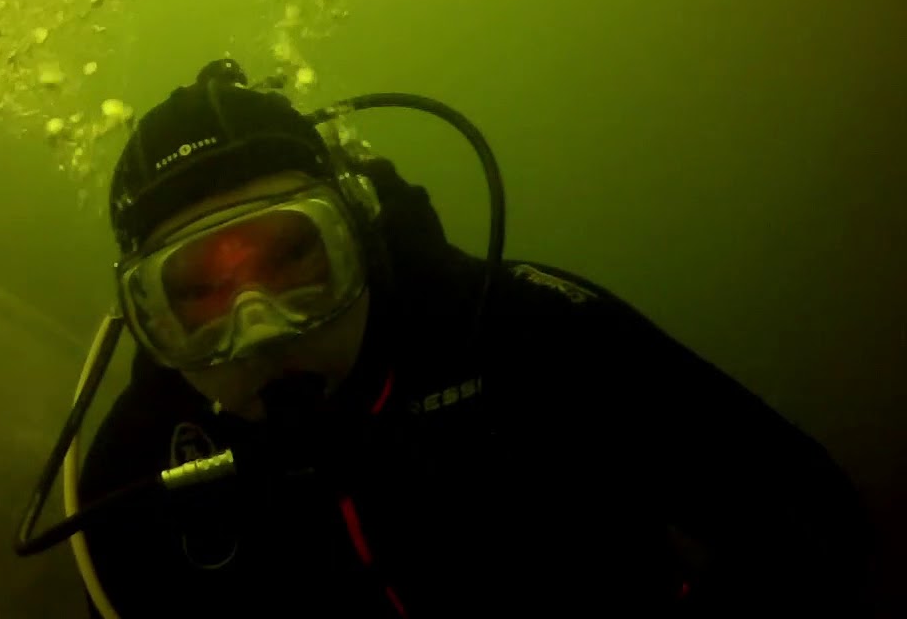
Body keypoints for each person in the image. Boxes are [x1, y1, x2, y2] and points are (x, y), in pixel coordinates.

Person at [76, 60, 872, 617]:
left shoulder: (528, 336)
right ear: (150, 318)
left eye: (293, 256)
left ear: (358, 235)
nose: (260, 328)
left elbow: (811, 517)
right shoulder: (134, 478)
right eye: (198, 293)